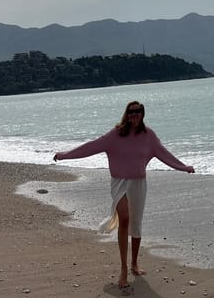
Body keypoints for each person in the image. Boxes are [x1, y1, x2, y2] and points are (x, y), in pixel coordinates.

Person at [53, 100, 195, 288]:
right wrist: (64, 155)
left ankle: (134, 263)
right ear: (126, 114)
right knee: (125, 218)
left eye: (137, 111)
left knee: (136, 224)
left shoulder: (148, 136)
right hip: (119, 183)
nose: (134, 114)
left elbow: (164, 154)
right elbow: (90, 146)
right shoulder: (116, 134)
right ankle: (123, 268)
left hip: (139, 184)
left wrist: (183, 167)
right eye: (131, 111)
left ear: (143, 114)